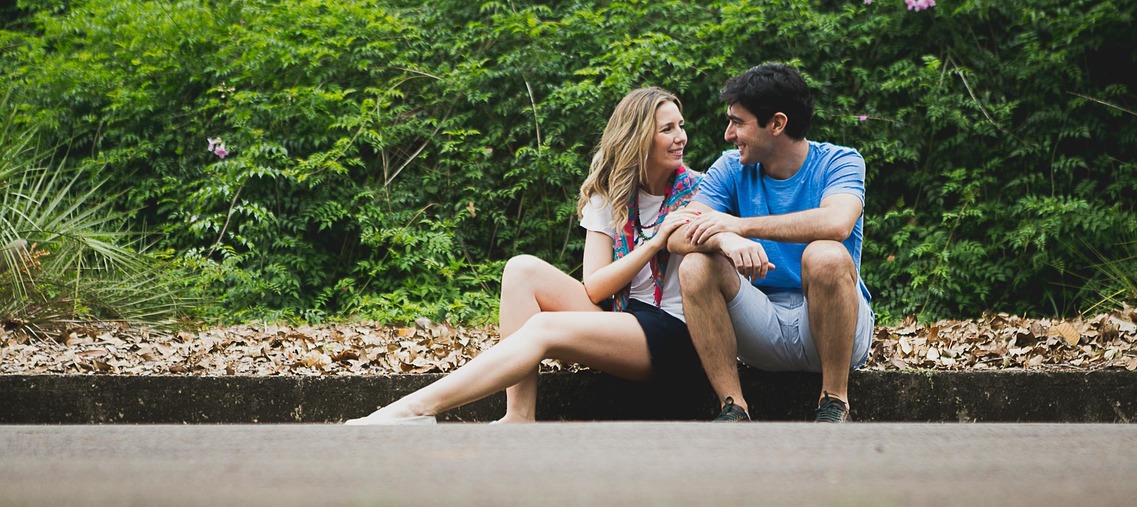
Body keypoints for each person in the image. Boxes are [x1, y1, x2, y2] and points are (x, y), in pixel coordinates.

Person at [346, 87, 703, 424]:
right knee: (521, 270)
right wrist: (654, 244)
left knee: (544, 327)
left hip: (672, 330)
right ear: (638, 138)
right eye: (667, 129)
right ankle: (519, 415)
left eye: (681, 126)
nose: (680, 137)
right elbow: (594, 288)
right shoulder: (611, 195)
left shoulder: (699, 192)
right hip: (622, 315)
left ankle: (413, 409)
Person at [668, 63, 874, 422]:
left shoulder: (840, 161)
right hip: (762, 324)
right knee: (696, 264)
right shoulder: (731, 168)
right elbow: (677, 233)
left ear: (777, 124)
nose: (728, 134)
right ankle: (733, 408)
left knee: (825, 254)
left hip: (832, 329)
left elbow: (837, 222)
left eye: (738, 122)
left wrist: (742, 226)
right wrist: (726, 241)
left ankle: (835, 403)